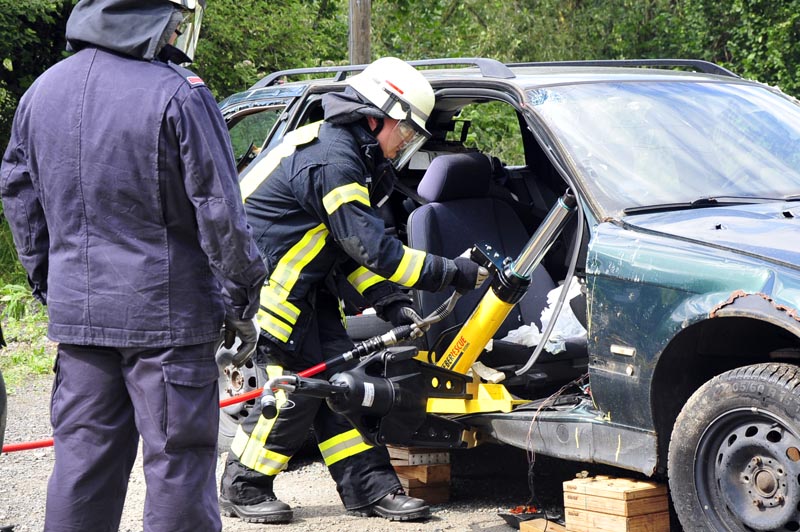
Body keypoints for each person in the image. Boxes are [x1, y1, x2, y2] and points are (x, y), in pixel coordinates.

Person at [0, 1, 267, 531]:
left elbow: (19, 198)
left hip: (81, 320)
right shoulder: (178, 94)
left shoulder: (41, 92)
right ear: (151, 17)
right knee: (178, 466)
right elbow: (219, 211)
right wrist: (240, 298)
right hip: (168, 321)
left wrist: (52, 287)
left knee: (82, 467)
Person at [219, 57, 489, 523]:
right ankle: (242, 485)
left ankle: (369, 487)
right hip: (264, 288)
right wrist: (453, 272)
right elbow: (374, 251)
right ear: (375, 115)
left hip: (305, 287)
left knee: (341, 390)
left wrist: (390, 301)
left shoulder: (356, 157)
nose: (404, 144)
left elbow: (344, 252)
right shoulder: (334, 159)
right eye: (404, 131)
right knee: (295, 392)